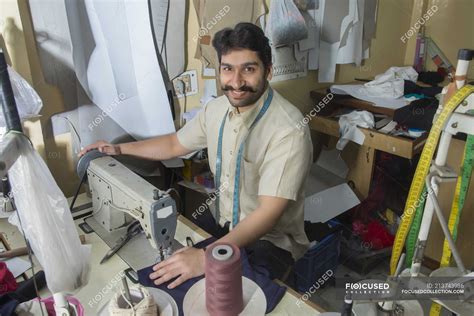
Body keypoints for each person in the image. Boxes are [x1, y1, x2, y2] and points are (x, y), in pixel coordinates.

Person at [79, 23, 313, 289]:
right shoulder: (216, 110)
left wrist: (207, 257)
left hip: (270, 240)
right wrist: (118, 149)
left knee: (237, 300)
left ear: (268, 71)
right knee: (169, 274)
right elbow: (173, 144)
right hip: (225, 221)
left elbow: (268, 213)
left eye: (248, 69)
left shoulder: (288, 129)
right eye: (228, 69)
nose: (236, 82)